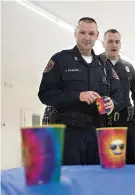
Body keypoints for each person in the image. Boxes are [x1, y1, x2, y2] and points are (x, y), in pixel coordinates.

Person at [38, 17, 123, 165]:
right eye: (82, 32)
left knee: (95, 179)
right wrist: (78, 96)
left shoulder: (104, 65)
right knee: (70, 179)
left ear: (97, 36)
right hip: (69, 133)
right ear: (75, 34)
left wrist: (113, 103)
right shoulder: (60, 60)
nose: (86, 37)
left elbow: (119, 93)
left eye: (91, 33)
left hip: (97, 132)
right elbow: (45, 94)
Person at [101, 29, 135, 164]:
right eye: (110, 41)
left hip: (128, 125)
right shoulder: (96, 64)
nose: (114, 45)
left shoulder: (128, 67)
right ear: (103, 43)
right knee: (109, 167)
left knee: (134, 167)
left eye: (117, 42)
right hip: (104, 125)